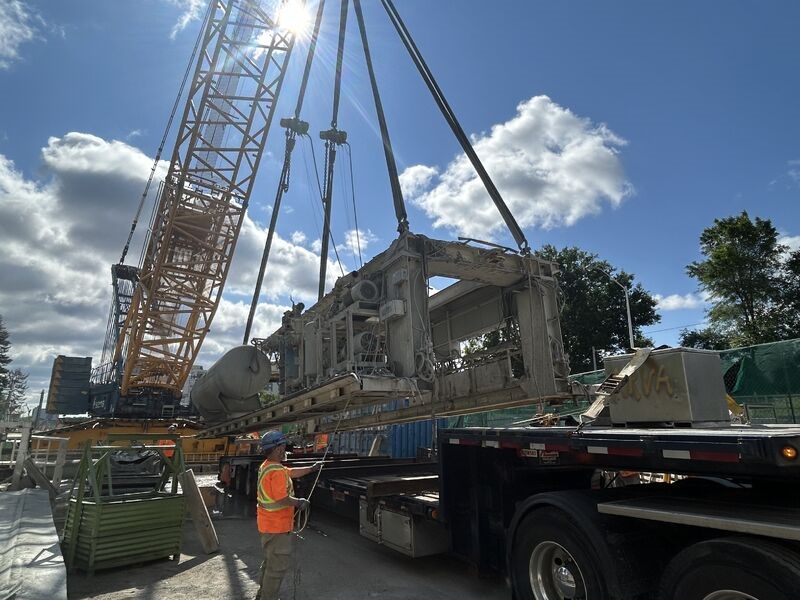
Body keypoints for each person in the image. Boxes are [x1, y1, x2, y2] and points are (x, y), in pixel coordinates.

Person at [255, 431, 323, 600]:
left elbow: (291, 472)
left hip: (268, 525)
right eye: (283, 447)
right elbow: (281, 498)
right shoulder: (276, 471)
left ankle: (262, 595)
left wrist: (311, 469)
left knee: (270, 562)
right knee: (277, 567)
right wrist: (299, 502)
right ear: (277, 449)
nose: (284, 450)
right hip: (277, 527)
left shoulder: (268, 466)